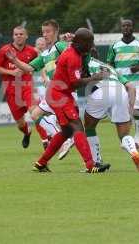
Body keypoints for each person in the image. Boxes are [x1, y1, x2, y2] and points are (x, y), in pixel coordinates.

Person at [31, 28, 111, 173]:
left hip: (61, 93)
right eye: (89, 42)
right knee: (77, 127)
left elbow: (59, 63)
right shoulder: (73, 56)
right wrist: (95, 77)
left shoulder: (75, 52)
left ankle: (41, 163)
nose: (91, 45)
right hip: (59, 95)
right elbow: (75, 83)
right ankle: (90, 165)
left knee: (66, 132)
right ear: (80, 43)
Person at [7, 20, 75, 159]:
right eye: (43, 32)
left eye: (48, 31)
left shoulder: (60, 46)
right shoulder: (44, 55)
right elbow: (29, 68)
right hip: (55, 92)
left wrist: (71, 43)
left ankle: (67, 140)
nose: (45, 35)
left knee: (69, 124)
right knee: (36, 114)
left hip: (64, 90)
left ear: (56, 32)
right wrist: (15, 61)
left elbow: (74, 55)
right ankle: (66, 140)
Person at [83, 50, 139, 172]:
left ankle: (96, 161)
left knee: (89, 127)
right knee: (124, 134)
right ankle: (134, 153)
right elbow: (131, 87)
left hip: (101, 91)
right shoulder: (110, 68)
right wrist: (130, 109)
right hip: (120, 91)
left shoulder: (85, 61)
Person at [0, 25, 48, 148]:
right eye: (16, 34)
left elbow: (41, 64)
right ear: (13, 36)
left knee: (34, 112)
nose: (18, 36)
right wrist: (11, 72)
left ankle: (45, 140)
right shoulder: (4, 50)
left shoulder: (32, 51)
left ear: (26, 36)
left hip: (26, 86)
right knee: (20, 123)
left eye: (21, 34)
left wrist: (44, 76)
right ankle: (27, 132)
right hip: (11, 89)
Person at [107, 19, 139, 150]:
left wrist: (138, 67)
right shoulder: (114, 45)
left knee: (137, 111)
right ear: (121, 28)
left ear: (133, 27)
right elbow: (109, 64)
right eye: (124, 26)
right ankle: (125, 140)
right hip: (120, 85)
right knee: (123, 114)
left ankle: (138, 137)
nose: (126, 28)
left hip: (136, 83)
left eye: (129, 25)